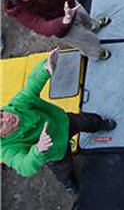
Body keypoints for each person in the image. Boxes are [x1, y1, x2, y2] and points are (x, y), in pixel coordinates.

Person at [0, 48, 116, 195]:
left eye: (1, 114)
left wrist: (44, 68)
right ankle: (68, 182)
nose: (7, 117)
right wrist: (38, 150)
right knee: (63, 170)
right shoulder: (5, 149)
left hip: (64, 122)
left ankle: (101, 124)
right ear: (2, 136)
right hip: (55, 152)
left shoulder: (15, 107)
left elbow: (30, 87)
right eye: (2, 123)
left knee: (88, 121)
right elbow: (24, 167)